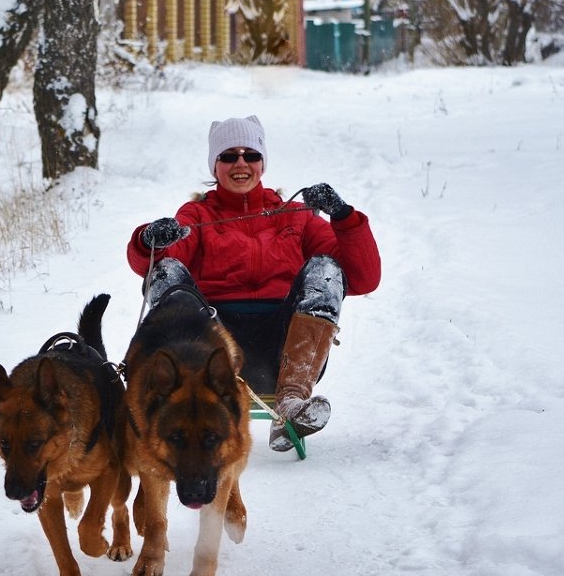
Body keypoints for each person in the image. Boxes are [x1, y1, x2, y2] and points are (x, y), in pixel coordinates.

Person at [125, 115, 381, 452]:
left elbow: (363, 277)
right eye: (228, 156)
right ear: (215, 166)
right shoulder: (197, 216)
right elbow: (157, 261)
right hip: (215, 347)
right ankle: (164, 395)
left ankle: (291, 405)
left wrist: (343, 217)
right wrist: (148, 240)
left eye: (251, 155)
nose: (240, 163)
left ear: (263, 164)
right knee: (167, 271)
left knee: (325, 268)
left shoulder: (295, 214)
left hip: (284, 346)